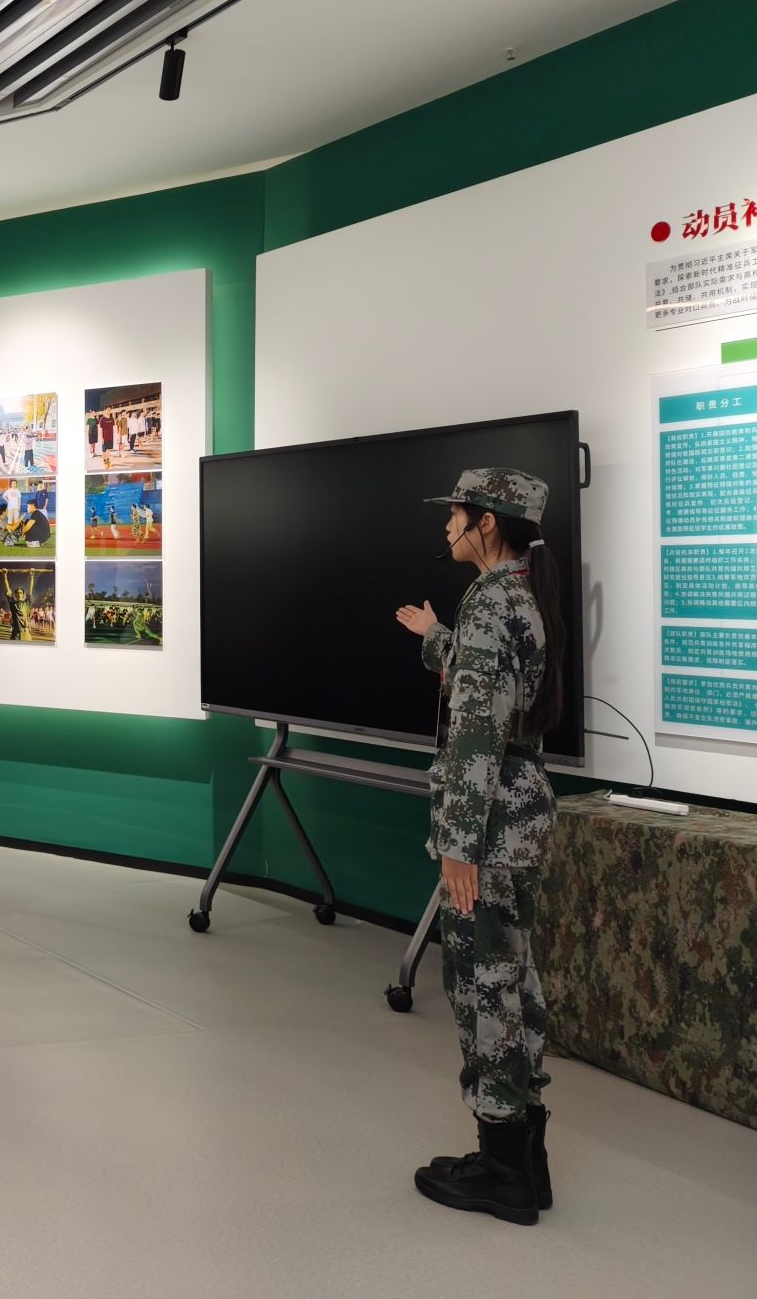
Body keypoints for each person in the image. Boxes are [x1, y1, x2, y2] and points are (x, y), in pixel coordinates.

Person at [396, 469, 565, 1226]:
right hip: (519, 814)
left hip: (488, 826)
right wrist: (436, 638)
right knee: (514, 981)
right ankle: (525, 1163)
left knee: (481, 986)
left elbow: (475, 733)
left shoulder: (492, 600)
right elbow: (491, 683)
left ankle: (503, 1173)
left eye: (456, 515)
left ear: (487, 523)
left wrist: (458, 845)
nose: (447, 527)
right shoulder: (523, 591)